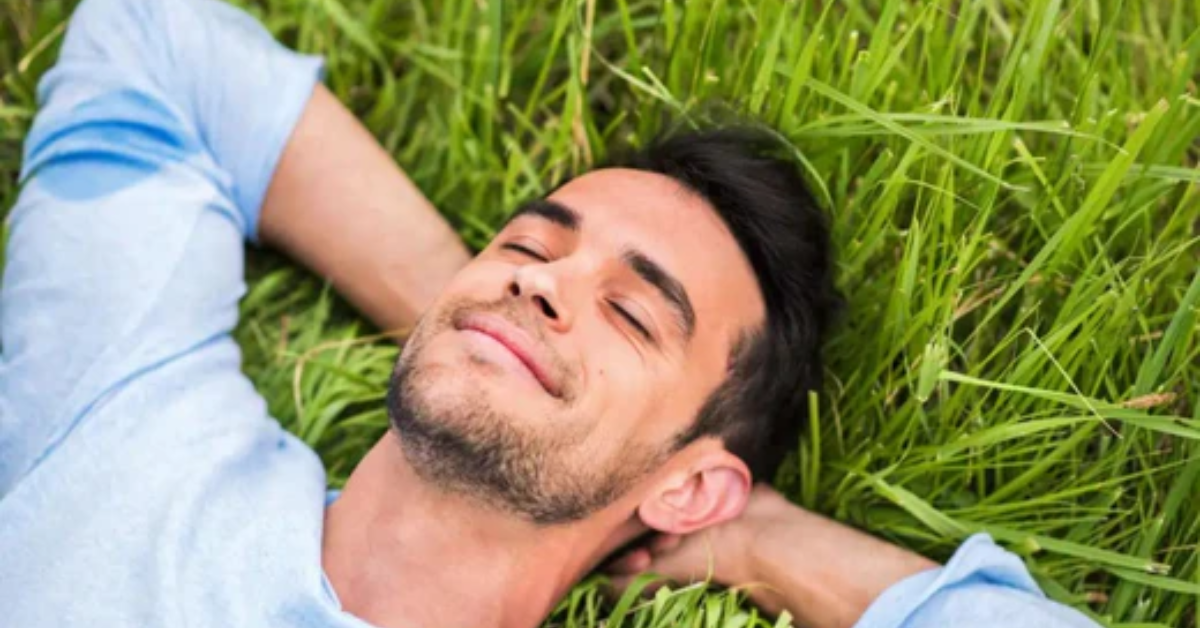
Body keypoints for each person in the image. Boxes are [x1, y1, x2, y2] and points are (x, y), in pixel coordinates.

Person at [0, 0, 1103, 627]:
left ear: (689, 483)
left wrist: (758, 536)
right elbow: (157, 43)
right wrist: (478, 311)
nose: (540, 280)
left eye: (631, 315)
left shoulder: (697, 497)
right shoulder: (131, 420)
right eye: (528, 242)